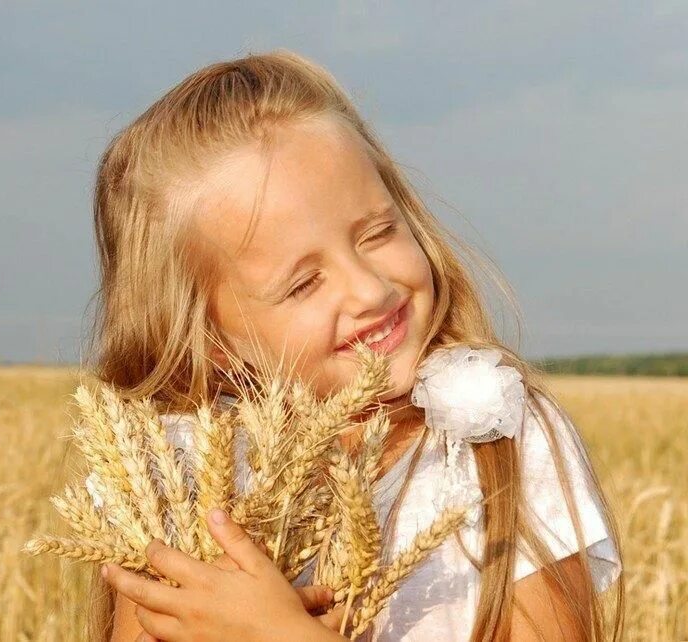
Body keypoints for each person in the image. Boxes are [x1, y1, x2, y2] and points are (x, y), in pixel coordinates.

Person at [77, 49, 623, 641]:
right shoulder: (178, 483)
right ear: (210, 343)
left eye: (379, 232)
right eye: (304, 282)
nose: (370, 288)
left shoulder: (500, 440)